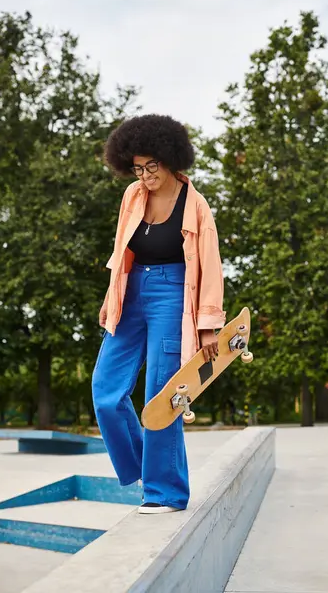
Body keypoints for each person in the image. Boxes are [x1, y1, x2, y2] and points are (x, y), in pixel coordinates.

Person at [92, 114, 226, 514]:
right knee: (106, 392)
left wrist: (209, 327)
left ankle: (165, 492)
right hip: (131, 293)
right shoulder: (132, 196)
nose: (145, 175)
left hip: (173, 294)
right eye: (137, 168)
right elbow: (121, 250)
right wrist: (110, 293)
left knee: (164, 394)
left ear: (171, 161)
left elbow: (210, 266)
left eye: (152, 166)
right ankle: (142, 469)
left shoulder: (195, 205)